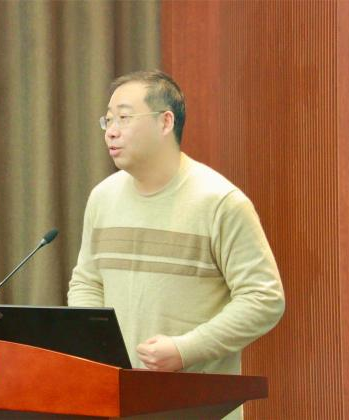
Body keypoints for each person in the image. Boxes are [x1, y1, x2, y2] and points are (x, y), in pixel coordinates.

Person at [67, 70, 285, 417]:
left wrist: (185, 349)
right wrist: (93, 344)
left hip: (198, 406)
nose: (111, 131)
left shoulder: (219, 202)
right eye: (108, 120)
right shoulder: (102, 197)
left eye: (124, 117)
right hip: (118, 403)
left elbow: (264, 299)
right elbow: (87, 281)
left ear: (165, 122)